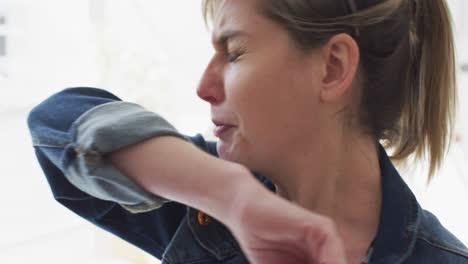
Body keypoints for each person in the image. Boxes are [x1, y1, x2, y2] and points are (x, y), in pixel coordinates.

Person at [26, 0, 468, 263]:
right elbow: (56, 124)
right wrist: (229, 195)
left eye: (233, 52)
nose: (203, 87)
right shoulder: (203, 209)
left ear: (332, 67)